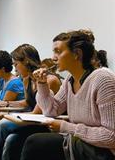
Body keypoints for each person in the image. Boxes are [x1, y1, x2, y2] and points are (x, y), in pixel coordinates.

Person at [21, 30, 115, 160]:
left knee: (35, 143)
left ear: (77, 54)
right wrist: (42, 84)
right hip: (81, 141)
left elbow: (111, 136)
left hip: (105, 151)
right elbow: (50, 111)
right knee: (20, 138)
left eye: (58, 52)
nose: (53, 57)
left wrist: (65, 127)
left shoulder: (103, 79)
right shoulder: (69, 80)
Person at [0, 44, 61, 160]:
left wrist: (4, 115)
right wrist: (6, 103)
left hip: (47, 124)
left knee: (3, 125)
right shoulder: (27, 79)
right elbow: (27, 103)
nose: (15, 69)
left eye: (16, 64)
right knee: (12, 139)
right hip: (34, 121)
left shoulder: (49, 80)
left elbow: (37, 112)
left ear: (26, 61)